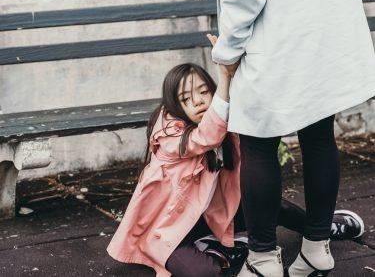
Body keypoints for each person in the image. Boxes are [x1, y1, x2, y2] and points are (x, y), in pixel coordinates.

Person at [106, 35, 365, 277]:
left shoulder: (223, 122)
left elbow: (243, 113)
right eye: (186, 98)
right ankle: (218, 248)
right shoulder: (171, 136)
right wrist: (224, 76)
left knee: (272, 205)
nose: (197, 101)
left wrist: (237, 64)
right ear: (175, 107)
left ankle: (321, 229)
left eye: (203, 92)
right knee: (204, 273)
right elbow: (206, 137)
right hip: (169, 231)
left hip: (209, 216)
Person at [211, 0, 375, 276]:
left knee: (257, 143)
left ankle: (262, 260)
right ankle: (316, 248)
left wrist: (227, 52)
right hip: (321, 32)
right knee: (319, 136)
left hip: (277, 36)